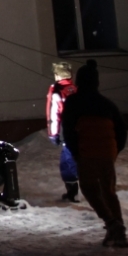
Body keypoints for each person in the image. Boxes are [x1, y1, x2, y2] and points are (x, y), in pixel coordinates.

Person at [61, 59, 128, 248]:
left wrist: (76, 152)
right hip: (107, 153)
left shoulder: (74, 102)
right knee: (109, 192)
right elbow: (122, 130)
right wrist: (114, 151)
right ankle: (119, 233)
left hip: (87, 153)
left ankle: (112, 223)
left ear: (79, 81)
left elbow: (69, 131)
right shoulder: (106, 104)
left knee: (90, 189)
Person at [45, 61, 80, 202]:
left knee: (69, 163)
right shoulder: (76, 88)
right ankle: (73, 192)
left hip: (68, 132)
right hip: (80, 130)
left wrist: (53, 134)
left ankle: (78, 191)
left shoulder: (57, 90)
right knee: (70, 161)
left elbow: (54, 114)